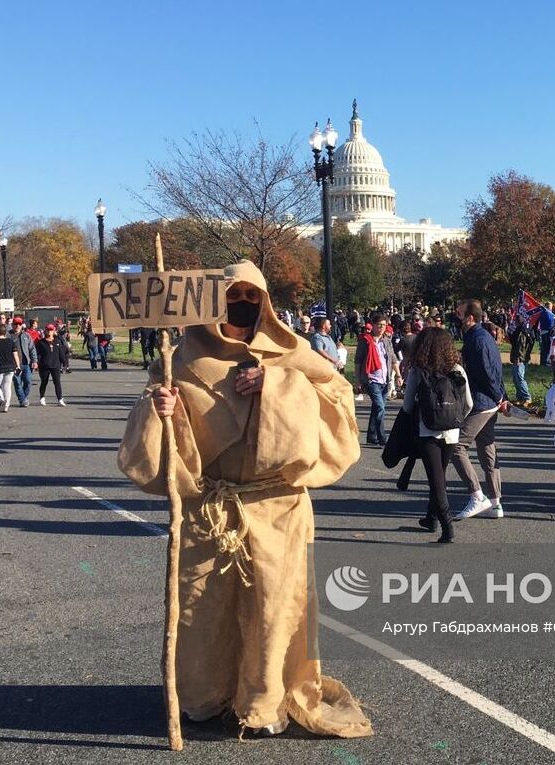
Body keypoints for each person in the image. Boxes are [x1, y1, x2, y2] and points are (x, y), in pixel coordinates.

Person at [117, 259, 372, 740]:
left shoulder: (289, 350)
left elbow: (337, 400)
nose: (243, 305)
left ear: (266, 302)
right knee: (202, 608)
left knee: (273, 608)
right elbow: (154, 427)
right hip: (210, 508)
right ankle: (204, 694)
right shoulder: (184, 355)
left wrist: (277, 385)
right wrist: (161, 409)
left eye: (253, 297)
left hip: (278, 506)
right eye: (234, 295)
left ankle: (264, 699)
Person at [400, 327, 473, 543]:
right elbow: (469, 403)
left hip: (427, 430)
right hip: (451, 431)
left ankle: (447, 527)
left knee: (436, 480)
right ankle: (431, 518)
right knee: (439, 474)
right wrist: (455, 419)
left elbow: (406, 406)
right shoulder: (457, 368)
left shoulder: (418, 370)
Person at [451, 298, 507, 521]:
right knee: (487, 448)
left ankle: (477, 495)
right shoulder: (480, 336)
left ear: (470, 317)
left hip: (483, 402)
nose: (456, 318)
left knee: (457, 445)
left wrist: (498, 397)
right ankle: (495, 501)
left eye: (459, 314)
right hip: (488, 400)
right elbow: (495, 370)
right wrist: (501, 396)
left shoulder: (477, 339)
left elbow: (488, 372)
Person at [354, 313, 400, 445]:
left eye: (384, 325)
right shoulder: (365, 341)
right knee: (380, 407)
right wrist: (358, 380)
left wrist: (398, 375)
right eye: (379, 325)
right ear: (373, 326)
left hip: (384, 379)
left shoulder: (386, 341)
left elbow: (393, 359)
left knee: (377, 407)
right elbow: (358, 362)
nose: (381, 328)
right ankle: (382, 438)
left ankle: (371, 436)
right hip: (371, 379)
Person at [36, 324, 69, 406]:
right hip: (44, 365)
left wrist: (65, 363)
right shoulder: (41, 342)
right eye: (48, 330)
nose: (49, 332)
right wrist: (36, 363)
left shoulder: (57, 341)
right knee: (44, 382)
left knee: (57, 382)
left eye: (51, 330)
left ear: (54, 331)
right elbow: (37, 354)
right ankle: (42, 397)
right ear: (45, 331)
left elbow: (61, 353)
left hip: (55, 365)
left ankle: (60, 399)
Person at [11, 317, 38, 407]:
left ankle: (24, 398)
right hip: (14, 365)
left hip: (26, 363)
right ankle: (22, 400)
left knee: (28, 381)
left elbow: (32, 349)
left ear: (22, 325)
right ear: (12, 325)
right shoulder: (8, 336)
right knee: (17, 383)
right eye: (15, 324)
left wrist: (34, 360)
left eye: (19, 324)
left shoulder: (26, 335)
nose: (17, 326)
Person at [508, 316, 535, 405]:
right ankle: (520, 397)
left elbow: (521, 345)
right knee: (515, 378)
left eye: (516, 321)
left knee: (519, 377)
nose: (515, 323)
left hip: (520, 358)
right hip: (519, 357)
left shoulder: (522, 331)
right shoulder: (519, 330)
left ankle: (527, 397)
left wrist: (518, 358)